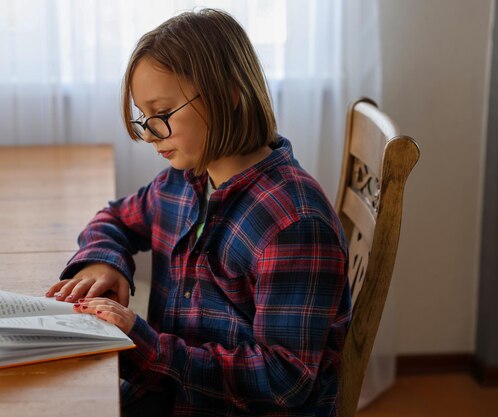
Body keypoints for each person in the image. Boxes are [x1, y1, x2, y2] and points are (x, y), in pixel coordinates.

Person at [45, 8, 350, 417]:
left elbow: (284, 380)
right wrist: (106, 263)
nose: (150, 134)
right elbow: (115, 218)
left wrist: (143, 341)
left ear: (228, 94)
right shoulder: (184, 181)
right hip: (169, 394)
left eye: (163, 115)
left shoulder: (294, 224)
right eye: (144, 118)